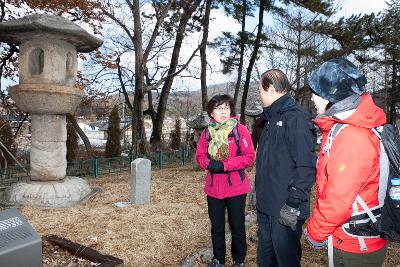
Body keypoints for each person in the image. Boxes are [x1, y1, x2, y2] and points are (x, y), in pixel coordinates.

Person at [304, 58, 388, 266]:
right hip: (356, 238)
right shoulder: (354, 126)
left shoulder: (353, 137)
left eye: (316, 92)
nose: (313, 98)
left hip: (354, 245)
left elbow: (338, 200)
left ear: (331, 97)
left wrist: (315, 232)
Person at [256, 69, 317, 267]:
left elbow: (306, 165)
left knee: (286, 261)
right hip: (266, 205)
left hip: (285, 208)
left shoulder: (296, 118)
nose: (260, 94)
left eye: (260, 90)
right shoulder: (270, 119)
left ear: (271, 89)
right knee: (266, 260)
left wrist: (293, 202)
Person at [196, 94, 255, 267]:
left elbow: (249, 157)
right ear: (211, 112)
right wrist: (209, 164)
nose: (223, 112)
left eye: (226, 108)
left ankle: (239, 260)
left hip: (236, 187)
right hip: (214, 188)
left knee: (237, 226)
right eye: (219, 108)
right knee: (217, 228)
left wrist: (224, 165)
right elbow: (200, 156)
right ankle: (218, 259)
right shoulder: (207, 132)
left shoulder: (240, 130)